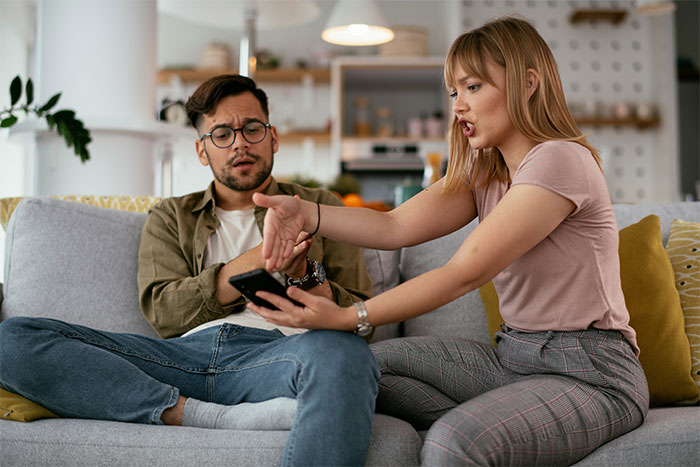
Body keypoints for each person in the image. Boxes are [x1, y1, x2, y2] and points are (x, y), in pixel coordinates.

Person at [250, 17, 650, 466]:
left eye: (473, 87)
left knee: (454, 440)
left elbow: (466, 272)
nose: (458, 105)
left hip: (591, 374)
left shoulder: (560, 160)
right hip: (513, 360)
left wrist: (350, 316)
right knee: (354, 369)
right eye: (454, 91)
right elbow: (394, 227)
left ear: (528, 83)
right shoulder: (488, 173)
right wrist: (305, 212)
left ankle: (491, 425)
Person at [0, 74, 379, 467]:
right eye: (221, 134)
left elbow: (364, 320)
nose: (240, 143)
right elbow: (163, 313)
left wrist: (304, 276)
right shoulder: (171, 216)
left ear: (273, 138)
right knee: (11, 340)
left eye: (252, 129)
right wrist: (249, 263)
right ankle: (201, 415)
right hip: (180, 360)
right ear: (202, 151)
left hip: (280, 356)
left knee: (346, 355)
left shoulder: (320, 206)